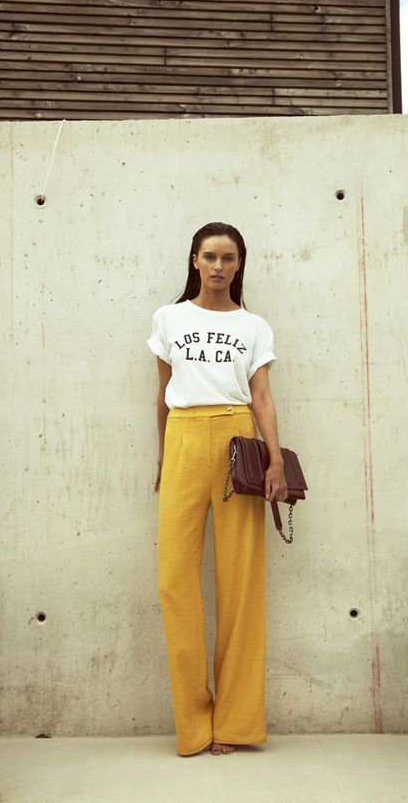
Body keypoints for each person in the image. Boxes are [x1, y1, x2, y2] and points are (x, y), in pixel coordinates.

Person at [147, 221, 288, 757]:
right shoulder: (169, 318)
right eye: (210, 256)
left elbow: (263, 398)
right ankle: (194, 723)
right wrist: (164, 455)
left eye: (229, 258)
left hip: (237, 440)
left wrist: (275, 459)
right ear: (194, 260)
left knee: (241, 583)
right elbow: (161, 396)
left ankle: (234, 721)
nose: (218, 266)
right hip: (183, 439)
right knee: (174, 581)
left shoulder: (253, 325)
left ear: (238, 264)